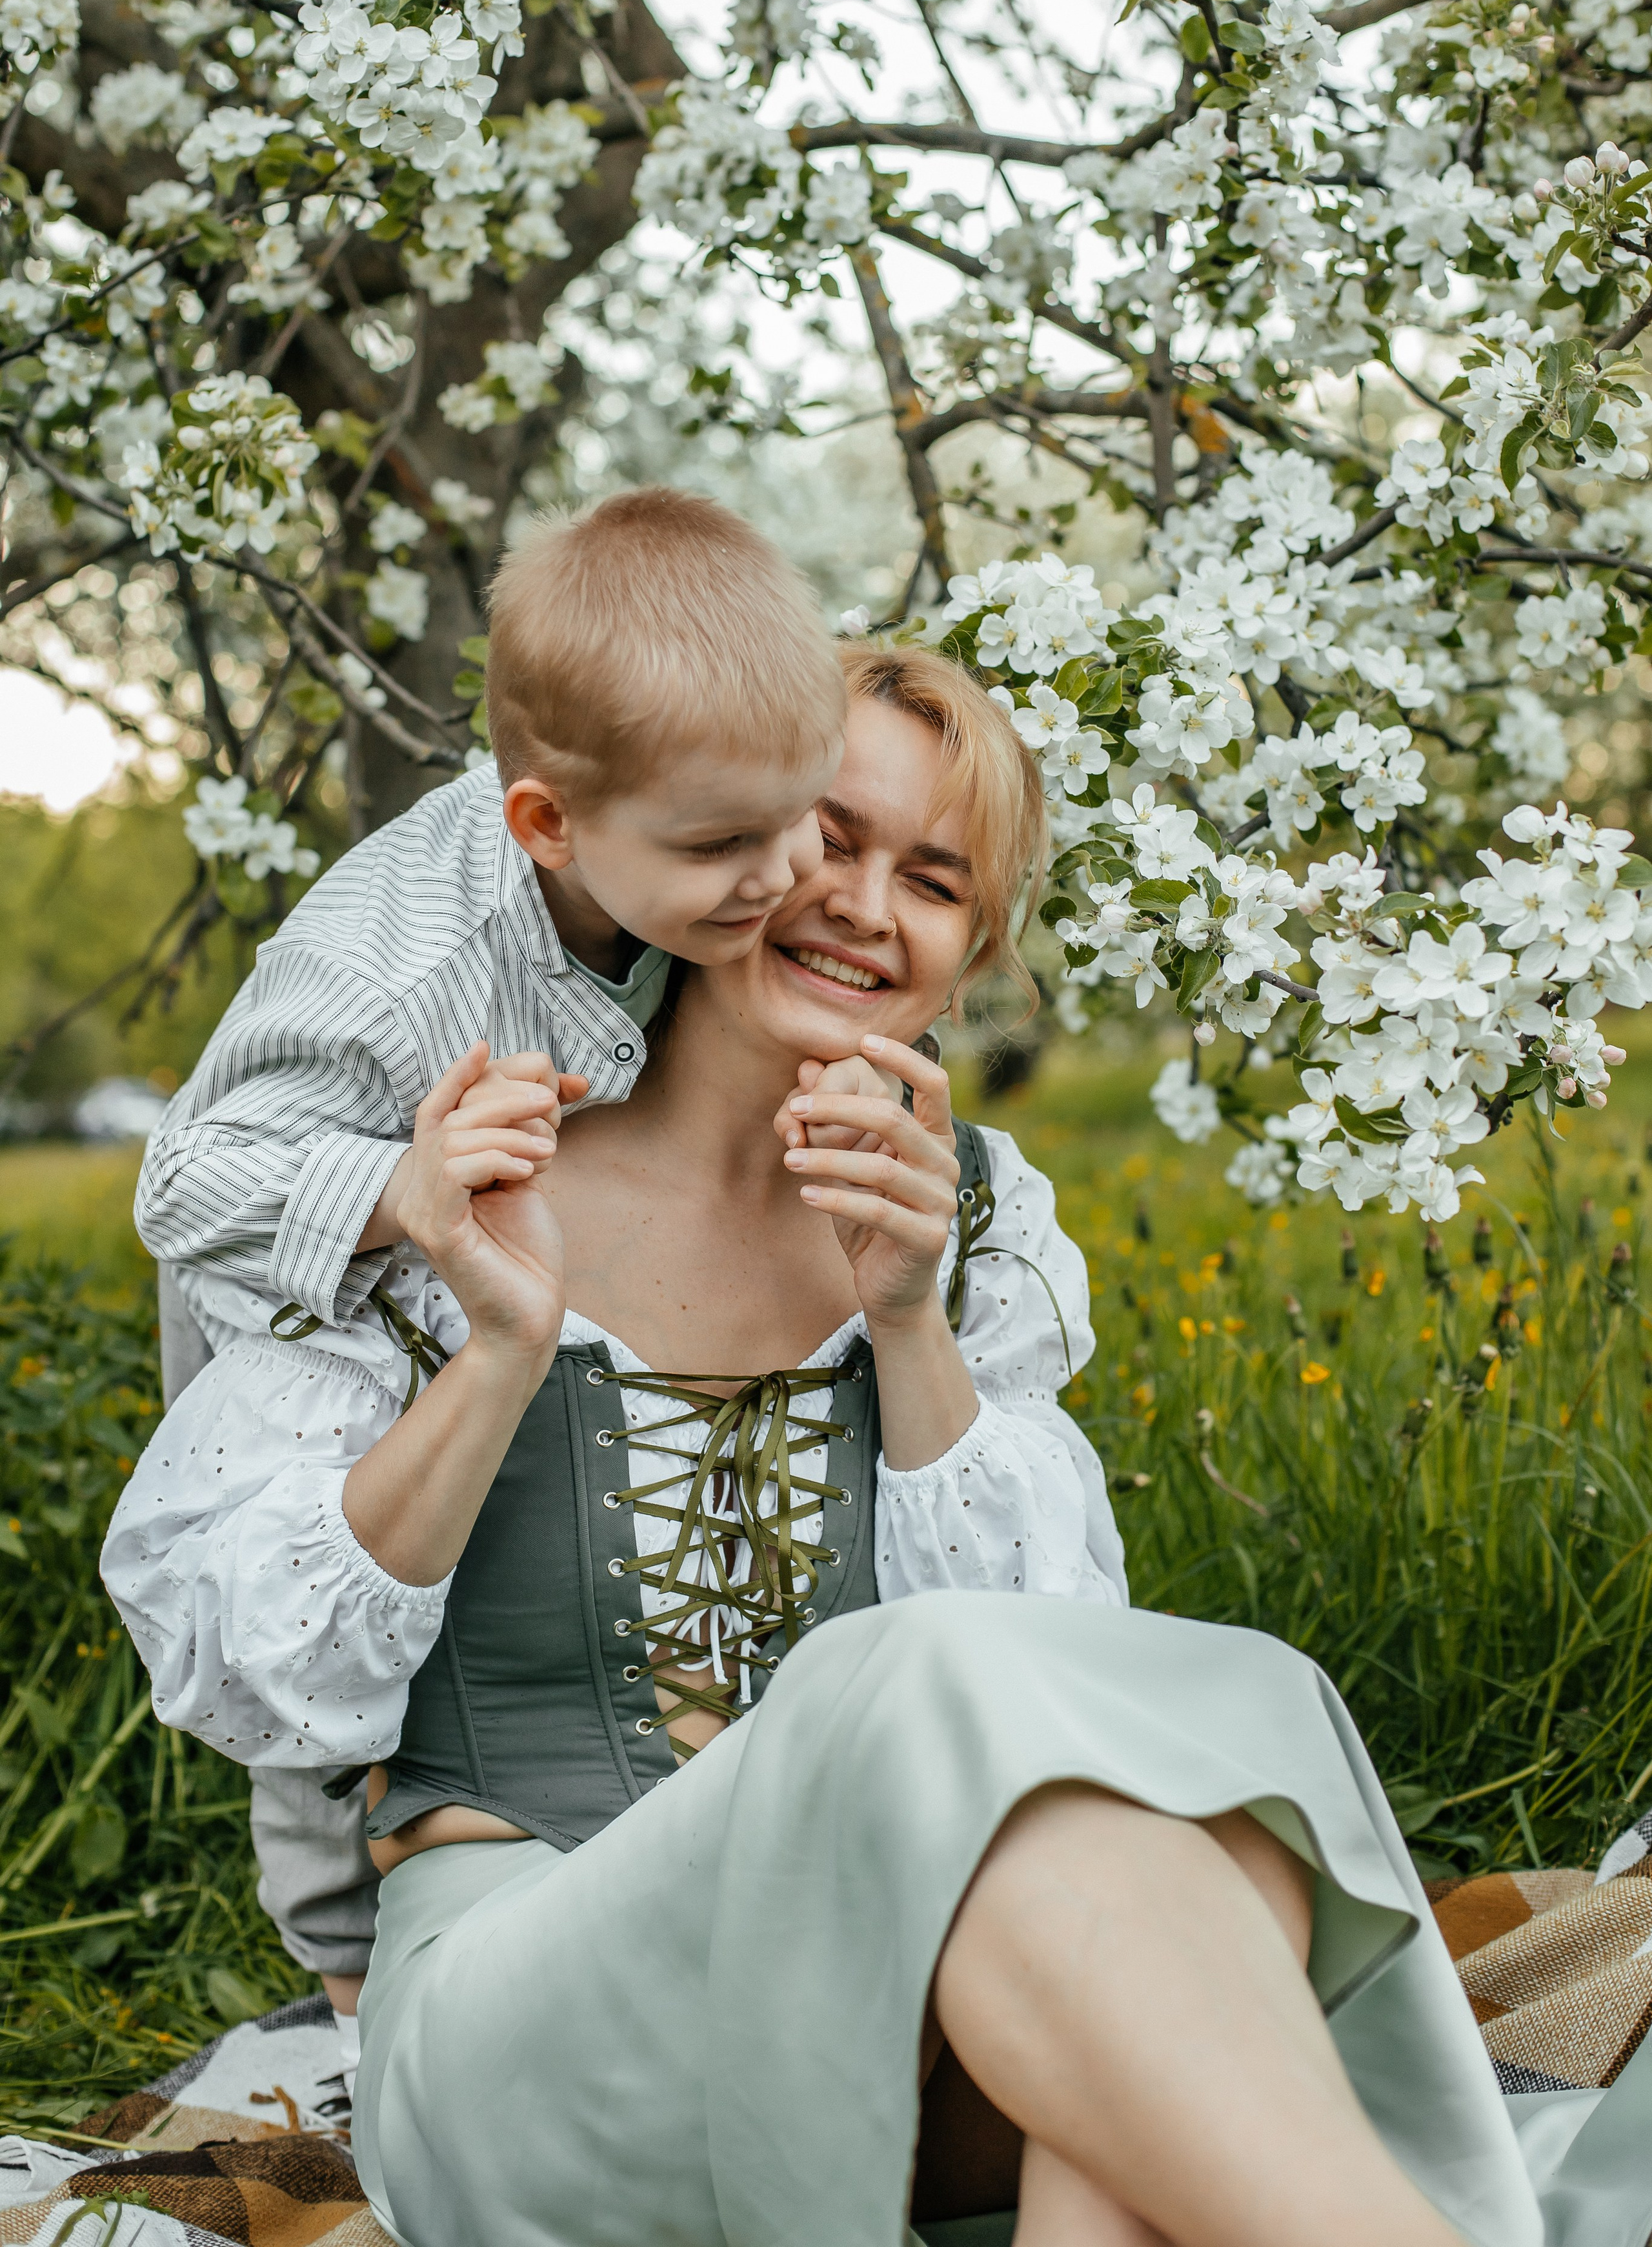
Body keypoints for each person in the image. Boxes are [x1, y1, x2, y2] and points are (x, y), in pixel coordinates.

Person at [107, 651, 1547, 2247]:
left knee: (1209, 1752)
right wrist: (504, 1341)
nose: (863, 904)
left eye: (931, 880)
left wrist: (911, 1326)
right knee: (941, 1691)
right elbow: (253, 1675)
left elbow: (1059, 1699)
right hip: (524, 2024)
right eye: (826, 837)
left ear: (970, 953)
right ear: (718, 849)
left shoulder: (971, 1235)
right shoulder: (463, 1172)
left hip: (902, 1986)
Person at [127, 485, 874, 2063]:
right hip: (293, 1277)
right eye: (724, 847)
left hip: (475, 1241)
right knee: (331, 1633)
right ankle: (341, 1973)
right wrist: (397, 1191)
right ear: (547, 824)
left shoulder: (655, 841)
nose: (783, 873)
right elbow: (181, 1182)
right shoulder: (396, 969)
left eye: (802, 817)